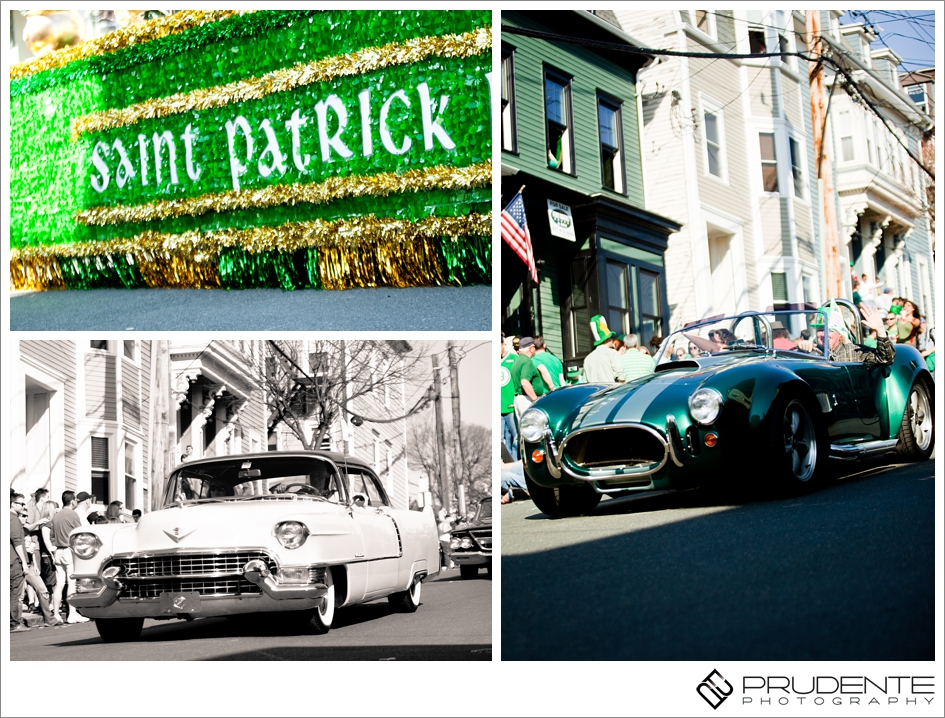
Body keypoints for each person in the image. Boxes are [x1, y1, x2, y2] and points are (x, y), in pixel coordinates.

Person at [10, 494, 58, 631]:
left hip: (29, 565)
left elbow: (29, 551)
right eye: (23, 515)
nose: (25, 517)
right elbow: (18, 543)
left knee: (43, 590)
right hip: (20, 564)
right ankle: (15, 622)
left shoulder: (25, 531)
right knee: (17, 596)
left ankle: (49, 619)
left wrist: (35, 566)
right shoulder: (16, 526)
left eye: (26, 515)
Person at [797, 303, 894, 364]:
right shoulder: (810, 353)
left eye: (830, 330)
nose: (824, 334)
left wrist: (880, 330)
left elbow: (885, 359)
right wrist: (800, 350)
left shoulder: (854, 352)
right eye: (820, 330)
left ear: (839, 333)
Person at [49, 491, 90, 623]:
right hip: (69, 551)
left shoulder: (55, 516)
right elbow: (80, 533)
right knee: (71, 583)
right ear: (72, 501)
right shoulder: (73, 514)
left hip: (58, 552)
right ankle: (72, 614)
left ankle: (55, 614)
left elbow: (52, 536)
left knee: (60, 584)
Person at [511, 337, 548, 418]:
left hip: (519, 399)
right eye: (535, 347)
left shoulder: (517, 361)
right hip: (527, 400)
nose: (535, 349)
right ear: (531, 349)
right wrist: (535, 400)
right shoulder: (527, 361)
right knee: (534, 428)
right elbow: (524, 382)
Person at [583, 315, 625, 383]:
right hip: (610, 391)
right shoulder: (612, 353)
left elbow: (585, 381)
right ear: (606, 340)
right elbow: (621, 376)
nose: (612, 339)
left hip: (594, 392)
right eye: (610, 337)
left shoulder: (588, 358)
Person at [499, 333, 520, 461]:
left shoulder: (514, 359)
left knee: (516, 437)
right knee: (499, 440)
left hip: (511, 406)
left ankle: (515, 462)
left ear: (503, 344)